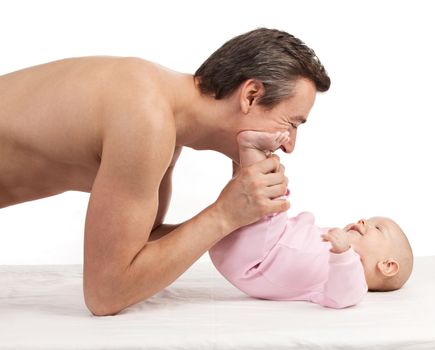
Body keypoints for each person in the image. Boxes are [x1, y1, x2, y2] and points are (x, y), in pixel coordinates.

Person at [0, 28, 330, 315]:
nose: (289, 146)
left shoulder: (162, 114)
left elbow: (135, 248)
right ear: (251, 95)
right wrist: (223, 216)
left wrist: (240, 221)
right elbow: (105, 293)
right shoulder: (148, 119)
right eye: (291, 123)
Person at [209, 130, 414, 308]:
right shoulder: (332, 243)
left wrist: (343, 254)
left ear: (387, 265)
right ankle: (247, 153)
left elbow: (341, 296)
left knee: (268, 200)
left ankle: (250, 148)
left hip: (256, 261)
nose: (362, 221)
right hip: (255, 247)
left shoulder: (355, 282)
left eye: (377, 228)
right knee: (256, 193)